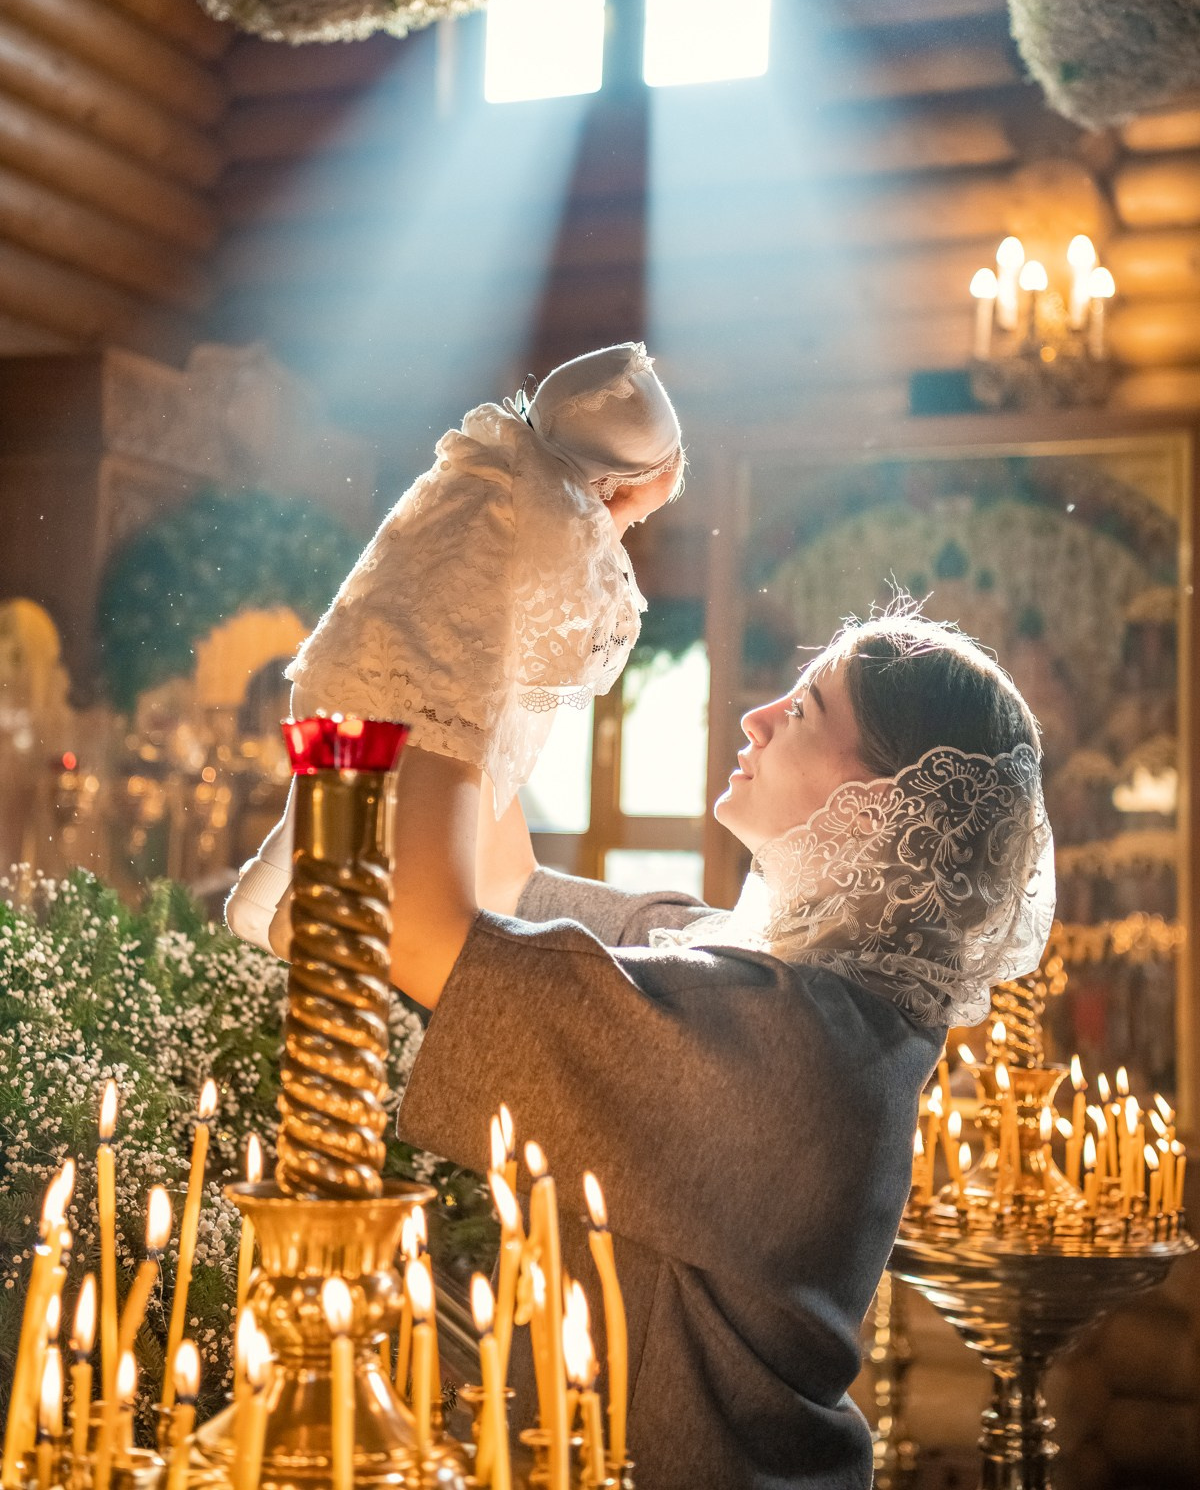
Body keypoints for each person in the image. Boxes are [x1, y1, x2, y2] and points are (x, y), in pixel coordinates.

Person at [266, 608, 1055, 1490]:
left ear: (883, 802)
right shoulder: (790, 982)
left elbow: (415, 931)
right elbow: (502, 885)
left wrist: (439, 614)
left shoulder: (783, 1039)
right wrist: (498, 609)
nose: (759, 717)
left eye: (805, 711)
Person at [225, 342, 683, 949]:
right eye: (634, 519)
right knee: (371, 852)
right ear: (598, 496)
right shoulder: (521, 553)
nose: (623, 539)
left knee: (338, 804)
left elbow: (512, 880)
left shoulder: (475, 495)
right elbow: (563, 637)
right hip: (414, 714)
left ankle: (283, 875)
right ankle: (302, 899)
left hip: (346, 687)